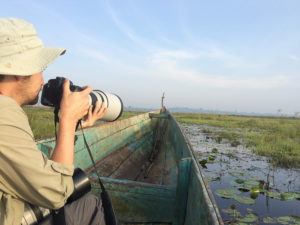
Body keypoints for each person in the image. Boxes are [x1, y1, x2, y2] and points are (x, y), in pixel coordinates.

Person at [0, 18, 108, 225]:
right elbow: (56, 194)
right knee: (92, 206)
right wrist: (67, 120)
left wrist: (71, 128)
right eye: (39, 68)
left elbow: (42, 175)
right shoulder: (4, 111)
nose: (42, 80)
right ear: (19, 71)